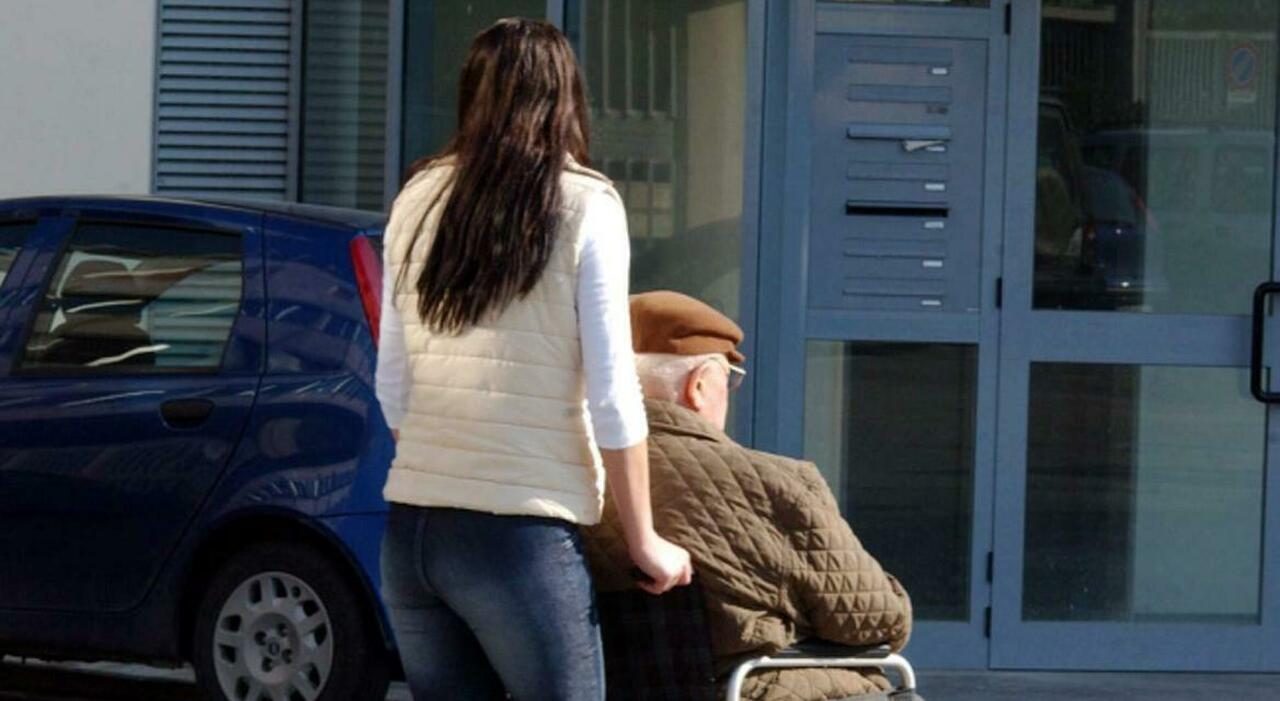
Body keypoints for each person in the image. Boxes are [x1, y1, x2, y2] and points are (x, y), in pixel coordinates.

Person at [374, 19, 693, 701]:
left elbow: (392, 385)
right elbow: (612, 392)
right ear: (565, 97)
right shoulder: (585, 203)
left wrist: (449, 470)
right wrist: (644, 539)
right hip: (520, 538)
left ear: (472, 95)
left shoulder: (417, 198)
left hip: (412, 533)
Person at [584, 291, 913, 701]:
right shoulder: (771, 482)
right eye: (729, 380)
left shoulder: (568, 480)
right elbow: (877, 621)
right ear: (698, 386)